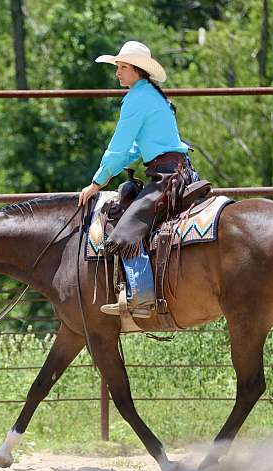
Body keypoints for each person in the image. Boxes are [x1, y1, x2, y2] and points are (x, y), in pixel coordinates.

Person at [78, 41, 198, 317]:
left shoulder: (137, 98)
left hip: (167, 177)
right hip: (176, 170)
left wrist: (97, 182)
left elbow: (120, 146)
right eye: (118, 67)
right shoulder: (150, 95)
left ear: (137, 70)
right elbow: (133, 149)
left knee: (125, 230)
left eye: (122, 67)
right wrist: (108, 174)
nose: (117, 73)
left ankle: (142, 296)